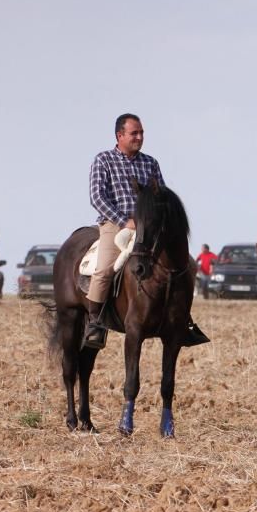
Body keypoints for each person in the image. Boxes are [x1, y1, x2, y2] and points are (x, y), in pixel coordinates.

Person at [85, 113, 208, 349]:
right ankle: (95, 322)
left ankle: (184, 322)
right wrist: (124, 221)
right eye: (134, 133)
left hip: (149, 227)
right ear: (119, 135)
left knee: (188, 265)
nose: (139, 137)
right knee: (105, 268)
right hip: (116, 224)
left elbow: (161, 196)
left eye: (141, 133)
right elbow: (97, 197)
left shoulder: (150, 162)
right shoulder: (104, 160)